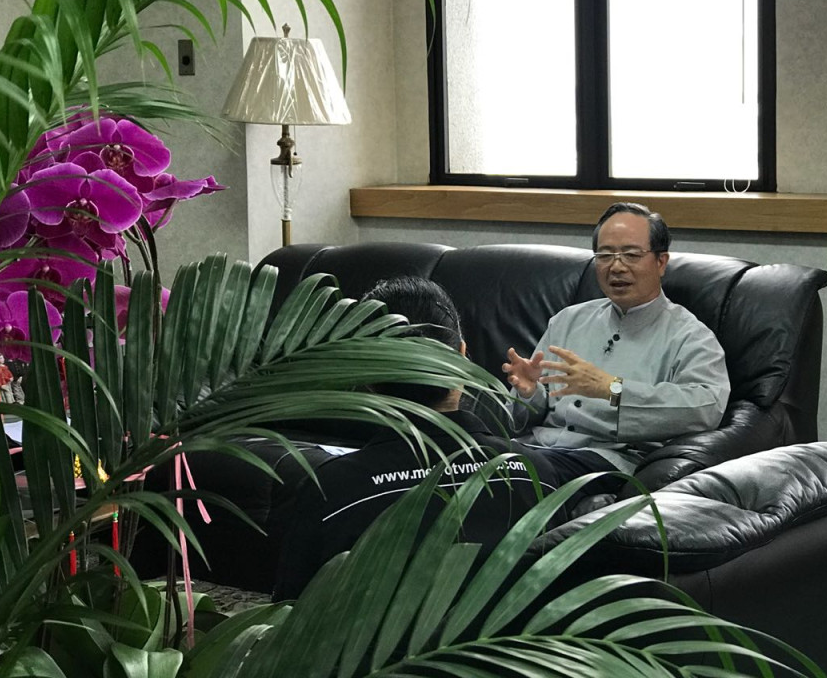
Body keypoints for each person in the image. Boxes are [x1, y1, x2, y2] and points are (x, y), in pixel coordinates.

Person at [273, 276, 565, 601]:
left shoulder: (332, 491)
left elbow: (292, 615)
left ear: (366, 374)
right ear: (462, 355)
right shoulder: (537, 474)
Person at [502, 202, 731, 480]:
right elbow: (524, 417)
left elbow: (706, 408)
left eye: (631, 255)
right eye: (605, 255)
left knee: (514, 473)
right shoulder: (568, 320)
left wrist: (613, 389)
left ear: (661, 262)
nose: (617, 267)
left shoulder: (689, 336)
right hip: (537, 447)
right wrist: (529, 393)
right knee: (471, 458)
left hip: (605, 459)